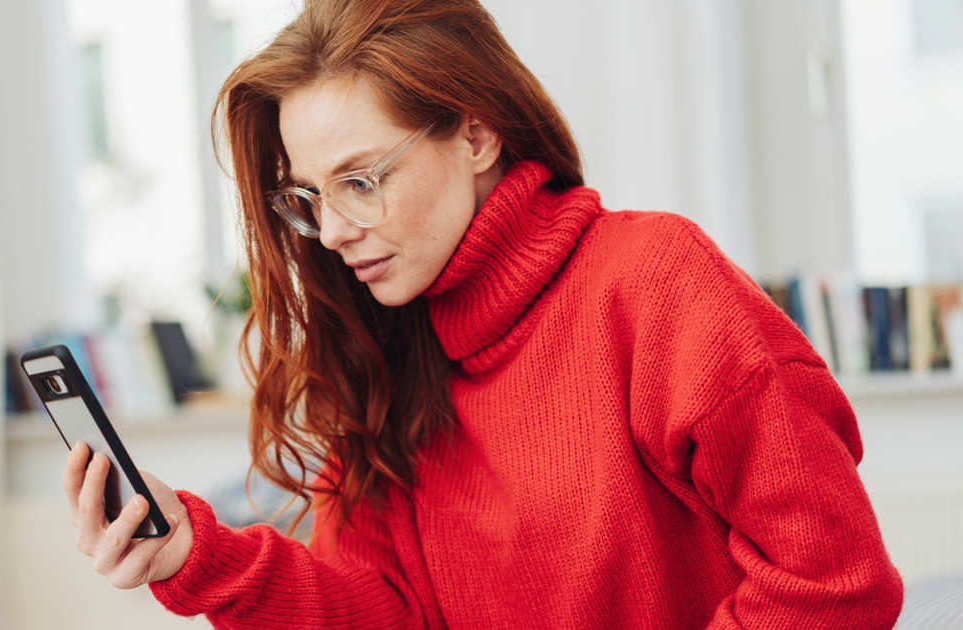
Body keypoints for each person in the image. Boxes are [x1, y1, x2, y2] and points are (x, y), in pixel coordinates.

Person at [61, 1, 904, 627]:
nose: (332, 230)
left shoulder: (655, 285)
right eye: (309, 197)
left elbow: (834, 584)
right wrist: (195, 556)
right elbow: (380, 613)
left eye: (362, 180)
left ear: (475, 136)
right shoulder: (381, 352)